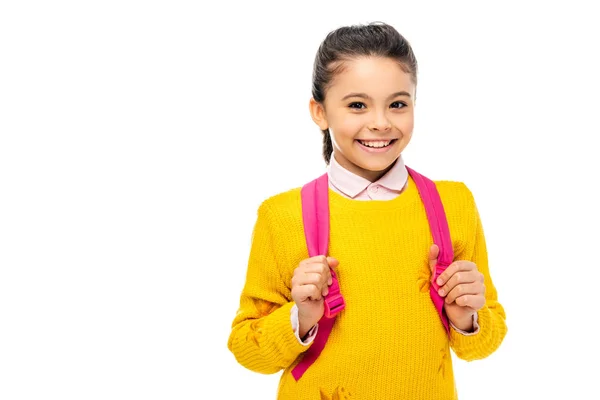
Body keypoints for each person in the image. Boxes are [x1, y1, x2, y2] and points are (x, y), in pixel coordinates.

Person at [227, 21, 507, 399]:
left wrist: (466, 318)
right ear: (320, 112)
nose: (380, 122)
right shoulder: (282, 216)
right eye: (357, 105)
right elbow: (248, 350)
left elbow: (483, 343)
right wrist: (301, 317)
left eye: (397, 104)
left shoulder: (453, 204)